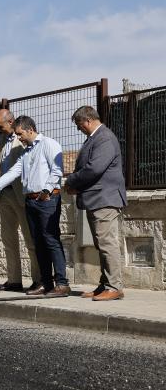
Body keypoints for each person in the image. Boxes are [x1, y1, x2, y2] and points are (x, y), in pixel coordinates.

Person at [0, 116, 70, 297]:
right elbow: (14, 171)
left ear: (30, 129)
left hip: (47, 199)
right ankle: (45, 283)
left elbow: (56, 170)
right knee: (38, 243)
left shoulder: (49, 144)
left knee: (51, 241)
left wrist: (46, 190)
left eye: (20, 134)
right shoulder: (26, 152)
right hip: (30, 201)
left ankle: (62, 284)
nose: (19, 138)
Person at [64, 106, 127, 301]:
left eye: (79, 125)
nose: (79, 129)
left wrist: (72, 181)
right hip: (97, 199)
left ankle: (114, 286)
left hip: (105, 199)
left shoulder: (104, 138)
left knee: (107, 243)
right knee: (102, 244)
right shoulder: (96, 138)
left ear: (88, 120)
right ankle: (105, 284)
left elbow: (94, 169)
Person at [0, 109, 41, 292]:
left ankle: (38, 279)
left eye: (0, 126)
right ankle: (14, 280)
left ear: (11, 121)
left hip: (21, 195)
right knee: (8, 239)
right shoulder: (2, 140)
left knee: (30, 239)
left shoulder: (23, 139)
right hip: (4, 194)